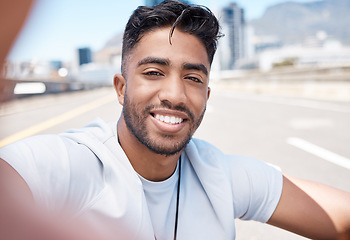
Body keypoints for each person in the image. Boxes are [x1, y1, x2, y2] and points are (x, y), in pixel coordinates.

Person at [0, 1, 349, 239]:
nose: (175, 94)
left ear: (207, 97)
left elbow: (339, 219)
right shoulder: (71, 163)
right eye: (153, 72)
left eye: (193, 78)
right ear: (121, 88)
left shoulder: (219, 175)